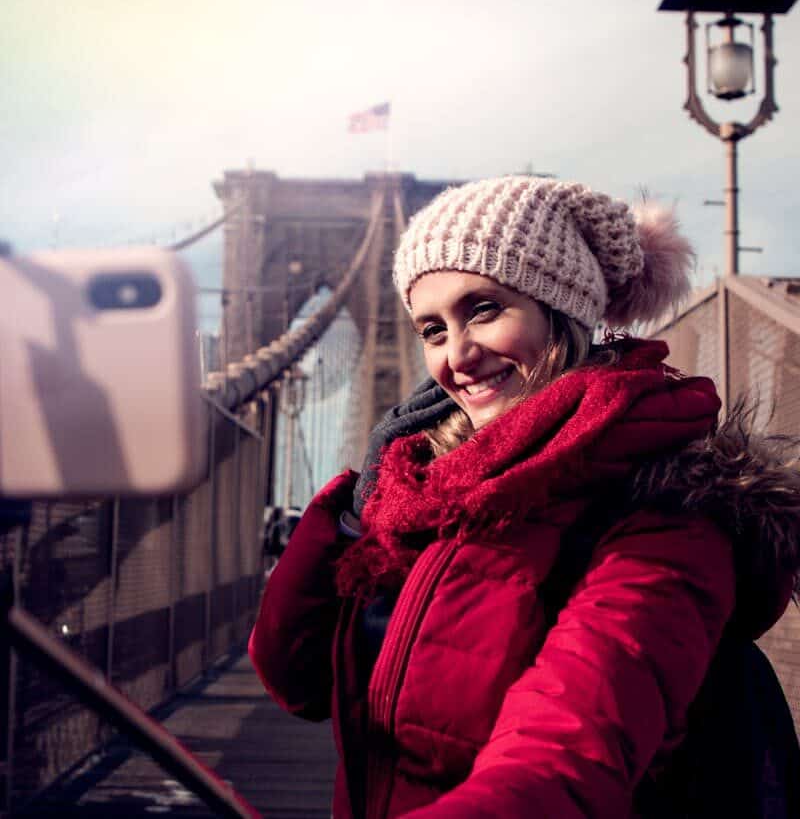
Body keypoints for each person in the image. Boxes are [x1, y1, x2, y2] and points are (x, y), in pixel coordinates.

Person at [249, 176, 800, 818]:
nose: (458, 354)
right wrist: (356, 512)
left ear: (561, 311)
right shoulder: (427, 491)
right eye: (432, 329)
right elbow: (301, 681)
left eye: (484, 310)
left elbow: (563, 758)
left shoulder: (668, 509)